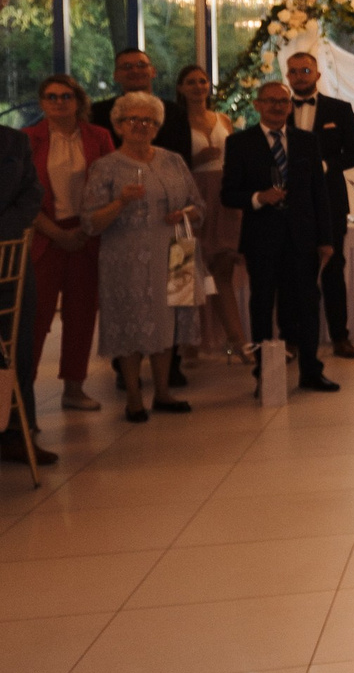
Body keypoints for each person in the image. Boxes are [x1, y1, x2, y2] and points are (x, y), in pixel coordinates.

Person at [80, 92, 198, 422]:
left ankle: (163, 392)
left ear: (157, 127)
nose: (141, 126)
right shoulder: (105, 167)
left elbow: (198, 206)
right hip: (127, 256)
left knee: (169, 323)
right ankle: (133, 397)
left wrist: (185, 213)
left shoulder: (174, 160)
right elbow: (90, 222)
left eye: (148, 121)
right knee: (129, 325)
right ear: (118, 125)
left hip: (179, 250)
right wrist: (120, 202)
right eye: (132, 119)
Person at [221, 79, 338, 394]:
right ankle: (265, 376)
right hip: (262, 240)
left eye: (282, 102)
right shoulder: (239, 143)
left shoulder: (306, 141)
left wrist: (326, 239)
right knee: (262, 307)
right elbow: (228, 194)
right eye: (270, 101)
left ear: (289, 107)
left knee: (308, 305)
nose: (277, 107)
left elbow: (319, 193)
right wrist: (259, 197)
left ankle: (311, 371)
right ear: (257, 105)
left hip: (302, 239)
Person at [28, 74, 114, 409]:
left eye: (66, 96)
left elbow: (110, 183)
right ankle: (23, 392)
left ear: (78, 101)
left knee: (81, 315)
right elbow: (22, 196)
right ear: (42, 103)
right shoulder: (28, 139)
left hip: (87, 233)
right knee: (36, 317)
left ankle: (74, 388)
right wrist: (57, 233)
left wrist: (87, 228)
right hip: (45, 235)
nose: (59, 102)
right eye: (51, 97)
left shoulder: (99, 136)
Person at [160, 66, 248, 361]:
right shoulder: (174, 123)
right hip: (189, 194)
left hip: (222, 197)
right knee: (184, 267)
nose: (198, 86)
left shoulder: (222, 119)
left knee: (222, 268)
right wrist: (197, 158)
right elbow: (169, 163)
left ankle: (237, 340)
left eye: (202, 81)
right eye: (191, 82)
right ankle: (185, 342)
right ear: (180, 88)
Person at [285, 46, 354, 359]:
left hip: (330, 201)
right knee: (292, 271)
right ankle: (292, 339)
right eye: (294, 72)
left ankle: (340, 337)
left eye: (305, 71)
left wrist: (326, 165)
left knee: (333, 270)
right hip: (290, 202)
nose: (300, 77)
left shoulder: (339, 109)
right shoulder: (279, 109)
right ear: (287, 76)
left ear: (317, 74)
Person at [0, 119, 55, 467]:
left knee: (17, 348)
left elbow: (32, 194)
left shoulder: (13, 142)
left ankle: (17, 433)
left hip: (10, 263)